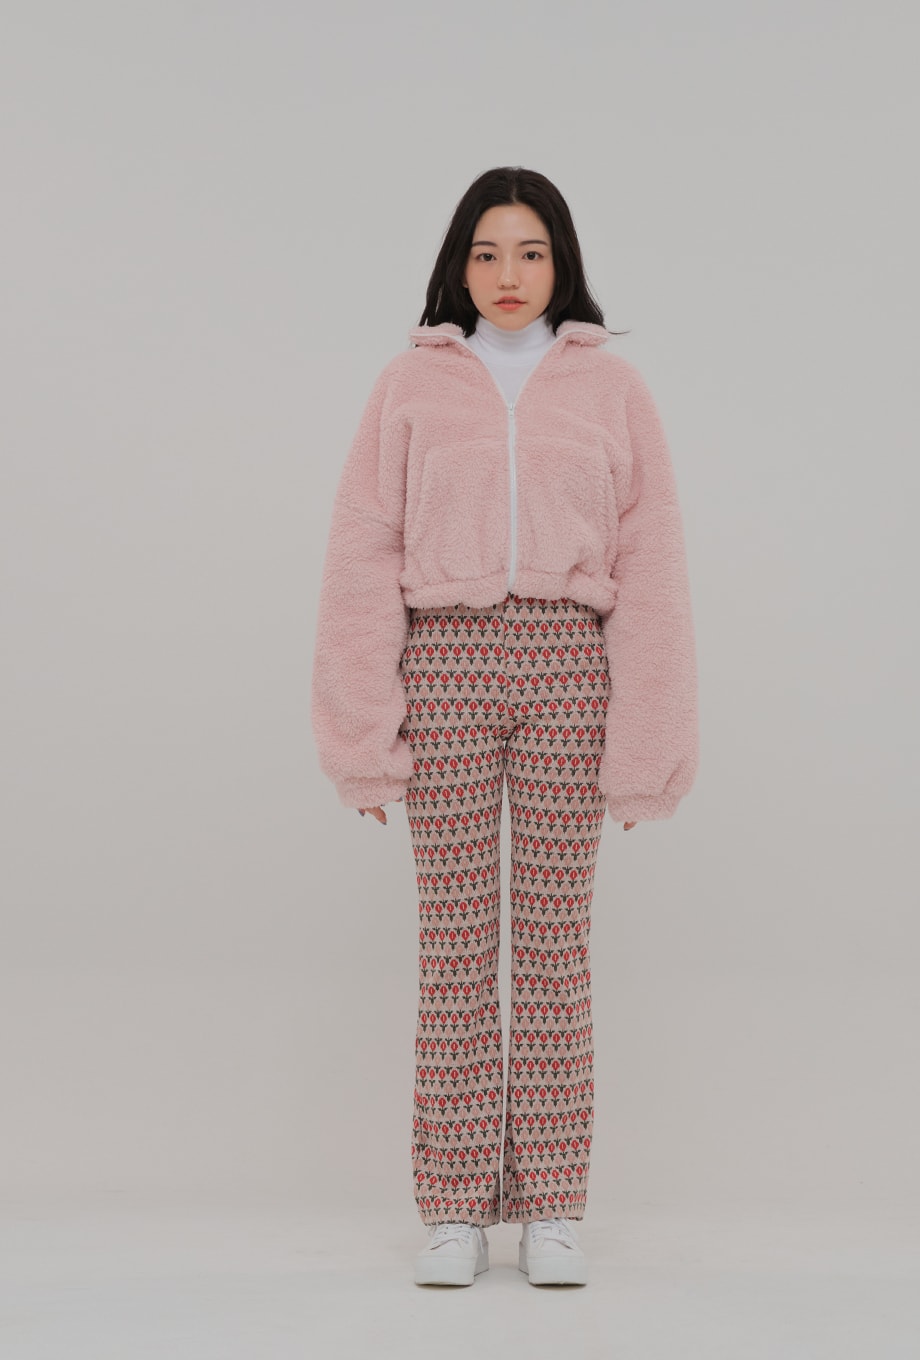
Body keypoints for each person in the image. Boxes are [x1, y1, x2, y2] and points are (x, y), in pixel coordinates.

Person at [310, 166, 699, 1287]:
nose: (509, 274)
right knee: (454, 945)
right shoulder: (409, 384)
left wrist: (646, 755)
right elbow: (362, 552)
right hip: (444, 671)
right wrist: (362, 738)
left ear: (560, 261)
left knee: (553, 948)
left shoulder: (612, 388)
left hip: (570, 671)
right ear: (458, 265)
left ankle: (552, 1207)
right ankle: (453, 1209)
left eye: (530, 251)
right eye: (487, 252)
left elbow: (653, 564)